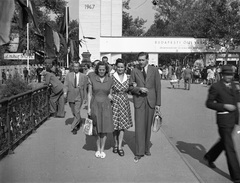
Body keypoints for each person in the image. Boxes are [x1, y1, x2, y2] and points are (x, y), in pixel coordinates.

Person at [204, 65, 240, 183]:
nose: (229, 77)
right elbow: (209, 103)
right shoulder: (216, 86)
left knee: (224, 142)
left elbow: (237, 98)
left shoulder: (235, 85)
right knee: (230, 147)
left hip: (233, 119)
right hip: (223, 120)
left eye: (231, 75)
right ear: (222, 75)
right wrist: (224, 106)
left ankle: (210, 156)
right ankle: (236, 176)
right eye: (227, 75)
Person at [129, 52, 161, 162]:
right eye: (139, 60)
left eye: (143, 60)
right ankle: (139, 152)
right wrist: (138, 89)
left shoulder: (154, 70)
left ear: (147, 60)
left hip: (151, 101)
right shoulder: (134, 70)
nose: (141, 62)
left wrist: (158, 104)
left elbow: (158, 87)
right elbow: (130, 87)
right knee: (139, 127)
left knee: (148, 127)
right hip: (139, 101)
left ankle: (146, 148)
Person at [87, 61, 114, 159]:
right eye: (100, 69)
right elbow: (89, 94)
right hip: (95, 105)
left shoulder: (110, 80)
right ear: (97, 70)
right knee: (97, 128)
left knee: (105, 127)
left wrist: (113, 98)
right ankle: (97, 148)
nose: (101, 71)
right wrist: (89, 108)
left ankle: (102, 149)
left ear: (106, 70)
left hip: (106, 106)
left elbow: (109, 94)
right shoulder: (92, 79)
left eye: (103, 69)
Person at [111, 58, 133, 157]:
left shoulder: (128, 77)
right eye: (118, 67)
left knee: (122, 126)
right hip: (114, 101)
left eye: (122, 67)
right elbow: (107, 89)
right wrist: (109, 96)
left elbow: (131, 89)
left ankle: (120, 146)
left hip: (124, 101)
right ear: (116, 67)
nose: (120, 69)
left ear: (125, 68)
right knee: (114, 125)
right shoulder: (111, 77)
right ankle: (115, 143)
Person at [64, 62, 88, 135]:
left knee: (77, 111)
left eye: (77, 67)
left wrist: (85, 98)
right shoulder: (68, 75)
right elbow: (66, 85)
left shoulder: (83, 76)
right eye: (75, 67)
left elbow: (85, 88)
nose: (76, 68)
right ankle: (78, 120)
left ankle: (74, 127)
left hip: (79, 95)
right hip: (71, 94)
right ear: (73, 67)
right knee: (74, 112)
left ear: (79, 67)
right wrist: (65, 93)